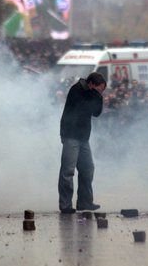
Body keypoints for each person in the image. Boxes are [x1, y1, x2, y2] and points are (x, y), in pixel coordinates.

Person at [58, 72, 106, 214]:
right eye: (99, 89)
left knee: (87, 169)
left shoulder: (93, 94)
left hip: (83, 138)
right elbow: (84, 108)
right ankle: (65, 205)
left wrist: (99, 96)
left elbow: (96, 113)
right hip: (71, 135)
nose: (99, 93)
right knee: (68, 171)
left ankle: (84, 202)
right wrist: (95, 95)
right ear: (91, 84)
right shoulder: (77, 90)